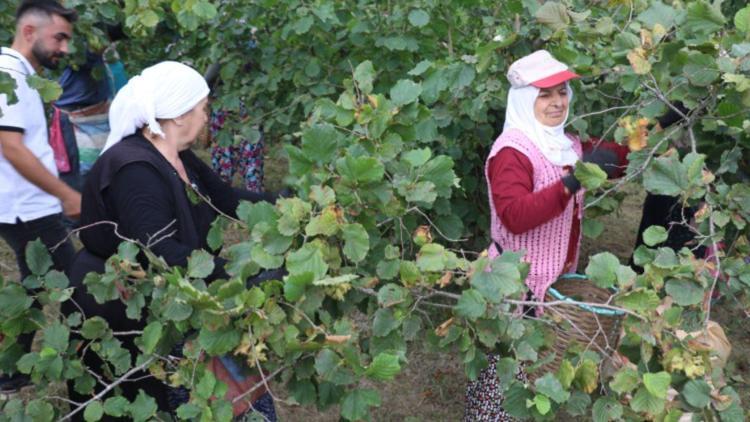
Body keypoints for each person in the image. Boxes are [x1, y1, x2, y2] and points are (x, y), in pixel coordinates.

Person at [63, 61, 277, 420]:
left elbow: (227, 199)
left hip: (176, 298)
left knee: (235, 398)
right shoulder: (135, 170)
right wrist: (242, 280)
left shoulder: (178, 156)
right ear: (179, 115)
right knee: (148, 404)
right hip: (124, 310)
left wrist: (293, 205)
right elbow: (162, 253)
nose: (207, 118)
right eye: (203, 109)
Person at [464, 50, 628, 421]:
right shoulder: (513, 152)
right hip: (514, 283)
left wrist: (656, 126)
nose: (557, 102)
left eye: (562, 92)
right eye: (545, 94)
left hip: (551, 279)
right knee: (504, 371)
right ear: (525, 99)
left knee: (536, 370)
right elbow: (515, 216)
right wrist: (572, 181)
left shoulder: (565, 144)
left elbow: (614, 157)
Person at [0, 0, 79, 394]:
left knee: (33, 287)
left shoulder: (21, 75)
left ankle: (8, 371)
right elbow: (11, 147)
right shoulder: (9, 75)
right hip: (28, 209)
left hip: (25, 206)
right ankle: (90, 373)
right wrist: (65, 194)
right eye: (59, 37)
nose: (64, 48)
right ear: (29, 31)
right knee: (79, 286)